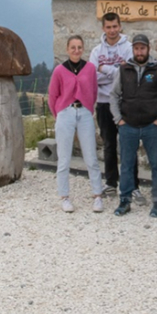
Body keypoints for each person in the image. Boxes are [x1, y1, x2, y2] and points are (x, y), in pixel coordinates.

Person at [109, 34, 157, 218]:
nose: (139, 51)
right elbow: (113, 95)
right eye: (136, 48)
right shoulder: (123, 69)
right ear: (133, 50)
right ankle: (125, 200)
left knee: (156, 164)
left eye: (142, 48)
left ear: (148, 49)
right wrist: (118, 119)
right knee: (127, 164)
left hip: (152, 126)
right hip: (128, 126)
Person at [47, 35, 106, 213]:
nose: (76, 50)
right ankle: (64, 197)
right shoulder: (59, 70)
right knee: (64, 158)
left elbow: (94, 91)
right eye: (73, 47)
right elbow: (52, 95)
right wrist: (58, 114)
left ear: (83, 49)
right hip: (65, 112)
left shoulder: (89, 68)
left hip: (85, 113)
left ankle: (97, 196)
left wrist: (88, 108)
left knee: (91, 157)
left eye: (79, 47)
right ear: (67, 49)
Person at [90, 13, 134, 192]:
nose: (112, 30)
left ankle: (129, 182)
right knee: (109, 144)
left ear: (120, 26)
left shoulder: (129, 48)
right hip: (103, 103)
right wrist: (116, 71)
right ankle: (110, 182)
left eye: (115, 26)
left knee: (127, 144)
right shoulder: (96, 51)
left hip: (124, 102)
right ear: (103, 28)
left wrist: (105, 68)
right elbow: (93, 77)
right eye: (108, 27)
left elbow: (129, 75)